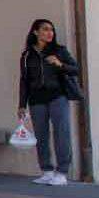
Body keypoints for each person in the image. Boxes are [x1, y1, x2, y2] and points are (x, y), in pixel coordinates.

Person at [19, 18, 83, 185]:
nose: (50, 33)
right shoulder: (27, 56)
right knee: (41, 135)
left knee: (62, 133)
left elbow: (76, 69)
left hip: (57, 97)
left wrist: (60, 64)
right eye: (45, 29)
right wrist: (21, 104)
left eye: (51, 30)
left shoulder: (59, 51)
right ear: (36, 32)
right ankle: (46, 171)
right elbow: (24, 81)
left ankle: (61, 172)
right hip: (36, 100)